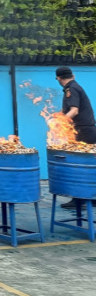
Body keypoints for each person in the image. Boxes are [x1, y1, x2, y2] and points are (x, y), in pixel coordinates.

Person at [55, 66, 96, 209]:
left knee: (79, 165)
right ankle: (90, 197)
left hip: (83, 131)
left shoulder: (71, 89)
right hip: (88, 130)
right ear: (73, 75)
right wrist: (56, 116)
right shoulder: (75, 86)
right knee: (88, 165)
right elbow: (66, 110)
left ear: (58, 78)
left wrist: (61, 123)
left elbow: (74, 110)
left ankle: (79, 200)